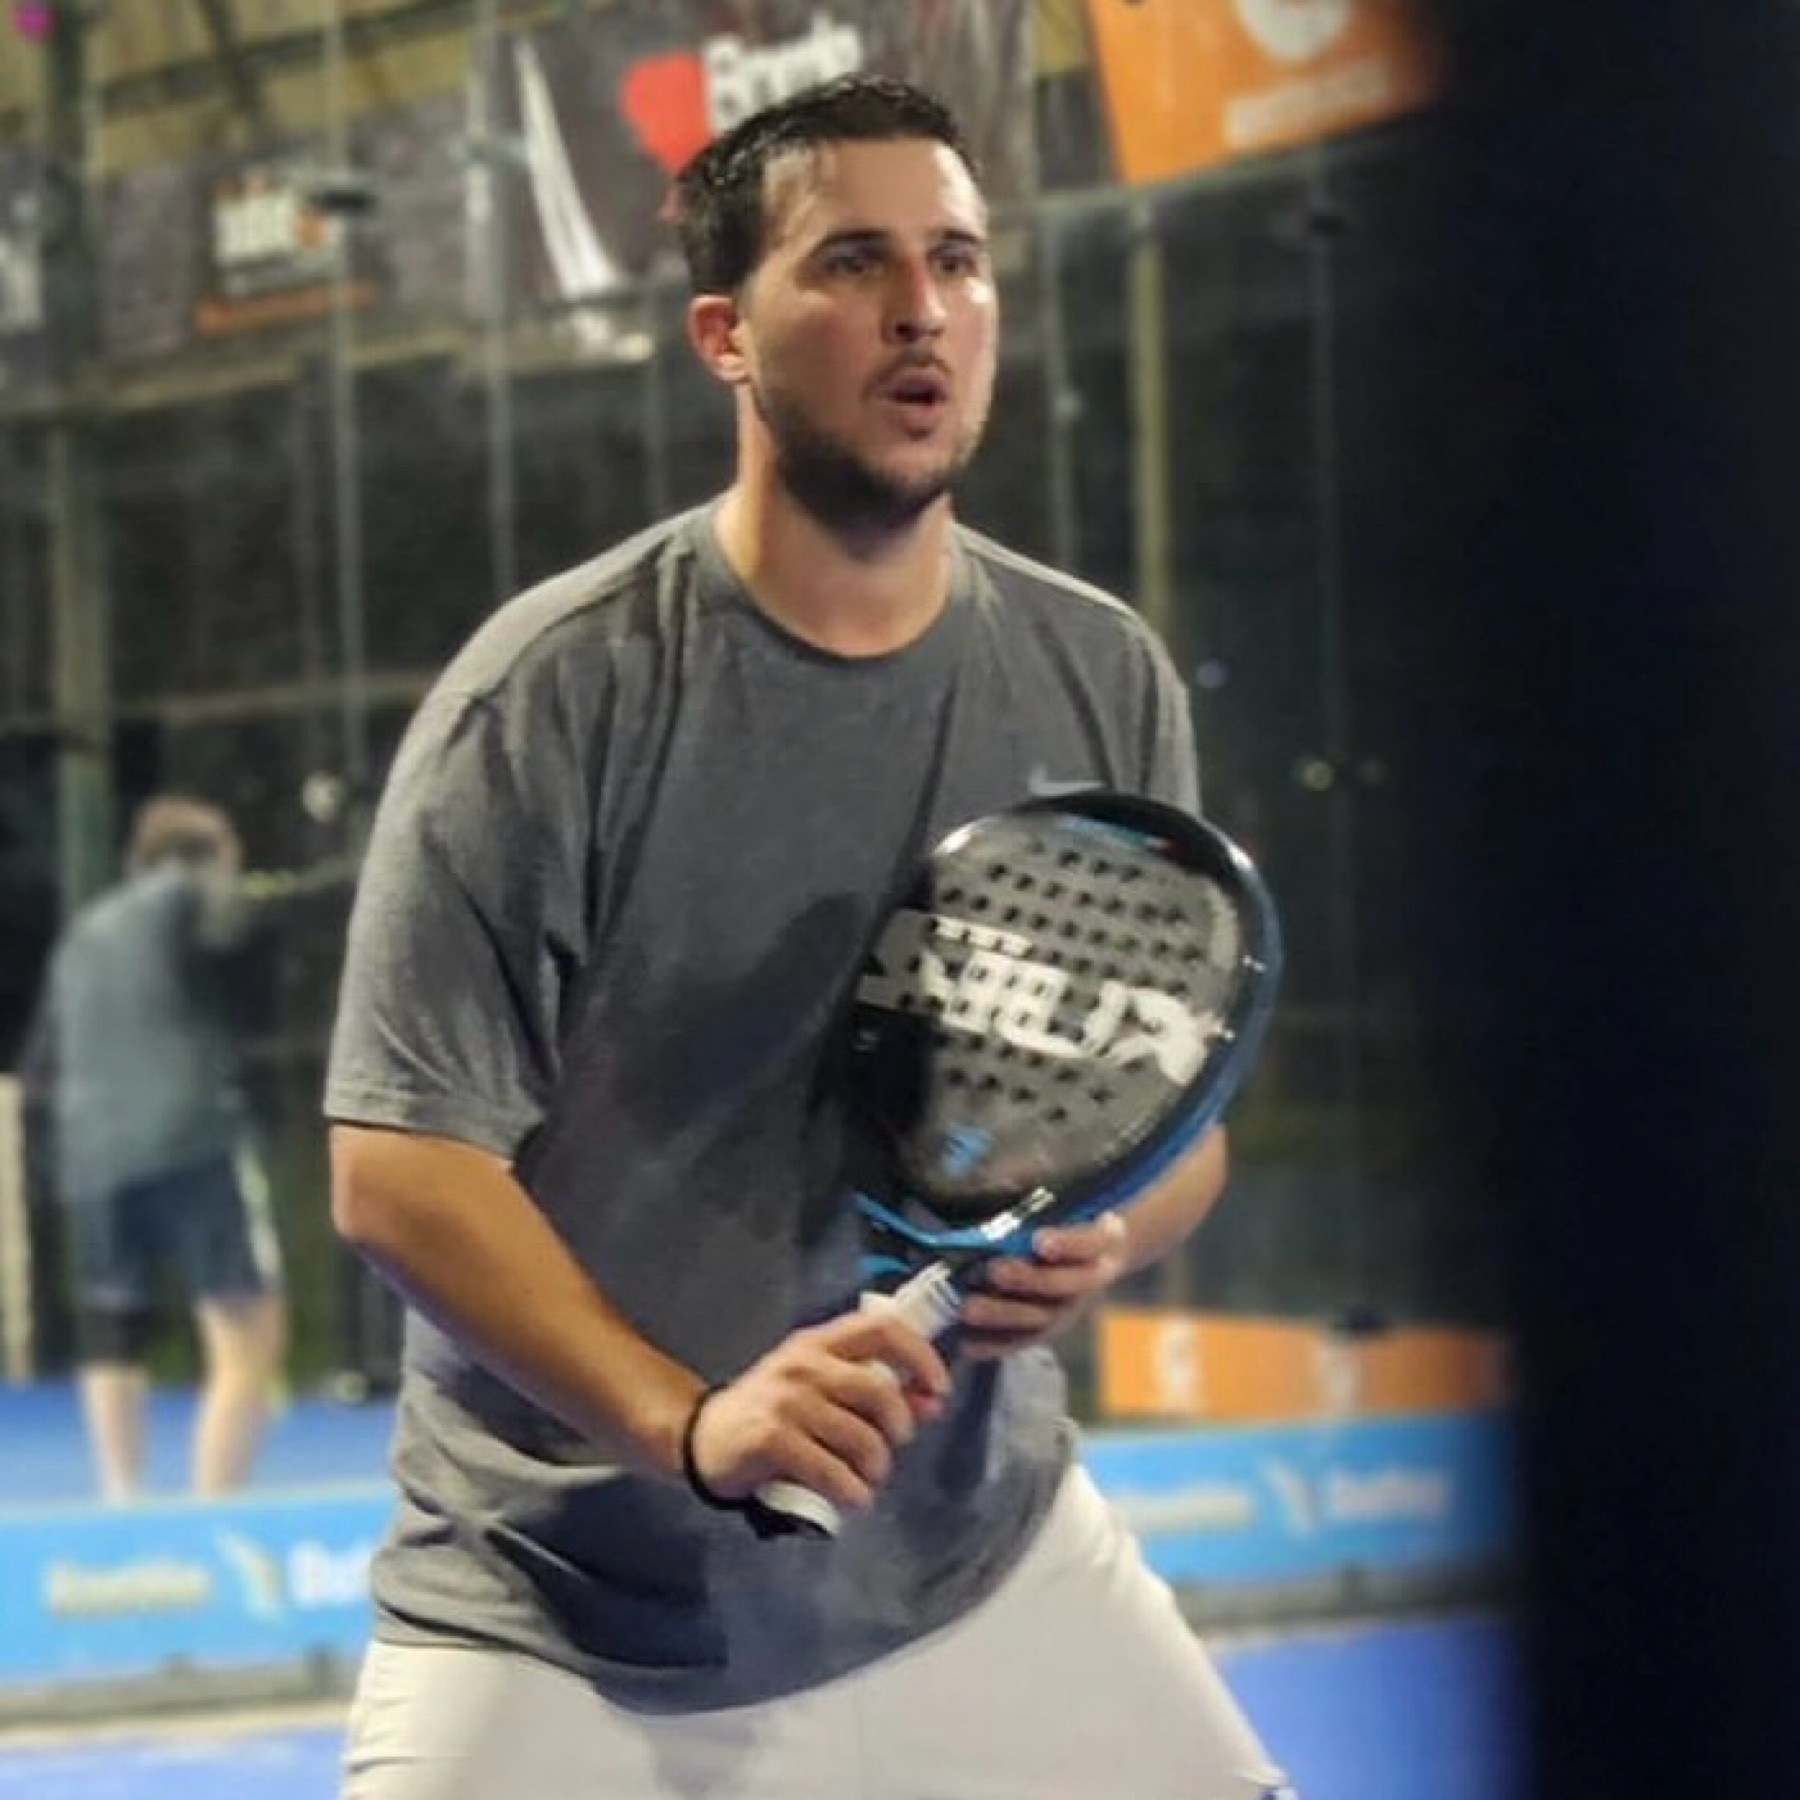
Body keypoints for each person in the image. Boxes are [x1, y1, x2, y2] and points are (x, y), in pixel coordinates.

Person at [325, 76, 1293, 1799]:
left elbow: (1175, 1123)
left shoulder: (1100, 673)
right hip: (567, 1619)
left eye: (958, 261)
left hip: (983, 1575)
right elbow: (399, 1170)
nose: (923, 308)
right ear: (726, 334)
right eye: (853, 263)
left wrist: (1109, 1233)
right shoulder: (550, 699)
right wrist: (691, 1423)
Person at [20, 795, 287, 1500]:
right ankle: (212, 1511)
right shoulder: (189, 890)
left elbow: (39, 1063)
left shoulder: (80, 935)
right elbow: (236, 922)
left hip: (91, 1156)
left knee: (113, 1328)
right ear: (211, 853)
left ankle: (123, 1502)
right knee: (246, 1328)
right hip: (192, 1136)